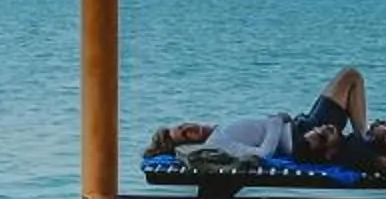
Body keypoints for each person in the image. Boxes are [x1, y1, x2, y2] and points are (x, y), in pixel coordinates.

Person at [146, 66, 370, 166]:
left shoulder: (217, 134)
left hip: (299, 126)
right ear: (190, 144)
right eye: (187, 135)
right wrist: (275, 122)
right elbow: (263, 154)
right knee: (351, 76)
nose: (191, 128)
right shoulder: (217, 143)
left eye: (185, 125)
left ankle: (364, 137)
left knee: (350, 79)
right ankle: (365, 138)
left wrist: (279, 121)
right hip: (302, 135)